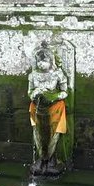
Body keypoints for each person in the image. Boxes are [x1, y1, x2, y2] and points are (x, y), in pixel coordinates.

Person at [27, 41, 68, 175]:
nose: (41, 64)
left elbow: (64, 92)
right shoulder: (33, 75)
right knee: (38, 133)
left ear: (51, 61)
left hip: (54, 108)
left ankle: (51, 158)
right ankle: (41, 157)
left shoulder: (58, 74)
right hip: (37, 108)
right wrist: (34, 94)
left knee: (53, 133)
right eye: (39, 61)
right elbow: (29, 92)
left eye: (44, 61)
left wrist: (52, 97)